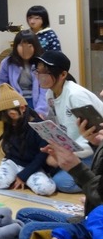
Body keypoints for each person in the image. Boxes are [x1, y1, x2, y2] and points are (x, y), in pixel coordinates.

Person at [15, 116, 103, 239]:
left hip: (95, 230)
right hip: (90, 219)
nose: (101, 93)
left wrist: (76, 168)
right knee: (24, 214)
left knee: (27, 232)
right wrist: (95, 144)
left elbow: (99, 197)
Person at [34, 50, 100, 193]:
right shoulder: (50, 94)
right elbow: (57, 128)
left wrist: (68, 156)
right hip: (74, 148)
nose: (40, 75)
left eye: (46, 71)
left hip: (92, 150)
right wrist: (56, 150)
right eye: (38, 70)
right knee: (48, 166)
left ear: (63, 75)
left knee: (62, 183)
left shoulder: (75, 96)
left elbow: (95, 135)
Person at [0, 83, 56, 196]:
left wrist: (23, 176)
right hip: (13, 162)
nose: (12, 122)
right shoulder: (11, 123)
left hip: (34, 165)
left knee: (45, 189)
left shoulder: (39, 126)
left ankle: (22, 179)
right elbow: (10, 150)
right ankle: (12, 176)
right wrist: (4, 166)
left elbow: (41, 156)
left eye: (12, 115)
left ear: (22, 108)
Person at [0, 29, 48, 117]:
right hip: (14, 102)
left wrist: (41, 111)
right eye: (21, 45)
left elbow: (45, 90)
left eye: (29, 46)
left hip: (35, 102)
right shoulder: (7, 62)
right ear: (15, 46)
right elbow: (0, 84)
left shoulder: (41, 63)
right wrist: (7, 103)